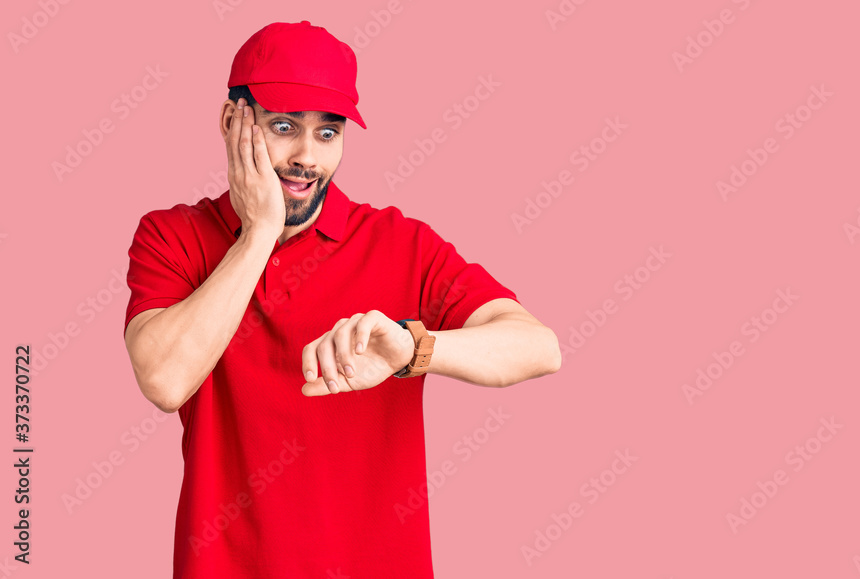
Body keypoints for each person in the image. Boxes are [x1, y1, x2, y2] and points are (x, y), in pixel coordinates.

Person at [122, 20, 560, 578]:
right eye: (284, 126)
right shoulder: (172, 236)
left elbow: (538, 347)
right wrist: (258, 232)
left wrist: (413, 349)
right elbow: (163, 380)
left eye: (328, 133)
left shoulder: (400, 243)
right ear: (233, 121)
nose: (307, 156)